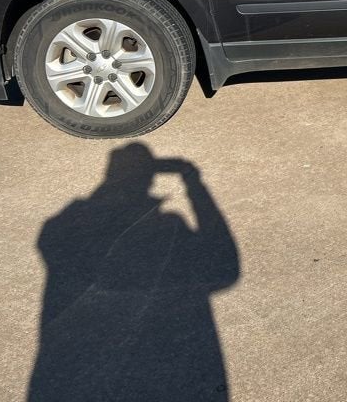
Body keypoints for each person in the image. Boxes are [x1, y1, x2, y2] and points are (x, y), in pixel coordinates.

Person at [27, 142, 239, 401]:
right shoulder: (170, 224)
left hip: (68, 364)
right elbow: (224, 268)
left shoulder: (60, 225)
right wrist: (193, 182)